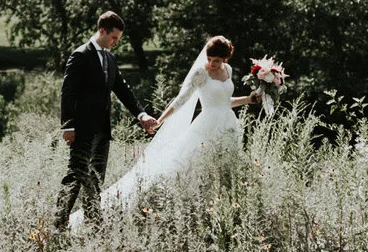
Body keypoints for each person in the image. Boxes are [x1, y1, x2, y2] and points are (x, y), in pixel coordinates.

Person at [95, 34, 261, 221]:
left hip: (228, 125)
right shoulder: (201, 73)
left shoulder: (228, 70)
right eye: (209, 59)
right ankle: (189, 210)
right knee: (197, 167)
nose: (212, 63)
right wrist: (160, 120)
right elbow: (181, 100)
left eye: (216, 60)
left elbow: (223, 102)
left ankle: (226, 211)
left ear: (225, 59)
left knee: (227, 167)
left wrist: (248, 99)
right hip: (207, 126)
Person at [57, 11, 158, 226]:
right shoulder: (80, 55)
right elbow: (68, 92)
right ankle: (58, 224)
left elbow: (122, 89)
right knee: (75, 176)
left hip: (103, 130)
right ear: (102, 31)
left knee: (96, 178)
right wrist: (68, 125)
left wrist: (142, 114)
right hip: (82, 129)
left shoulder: (110, 58)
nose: (116, 42)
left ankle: (94, 224)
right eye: (114, 37)